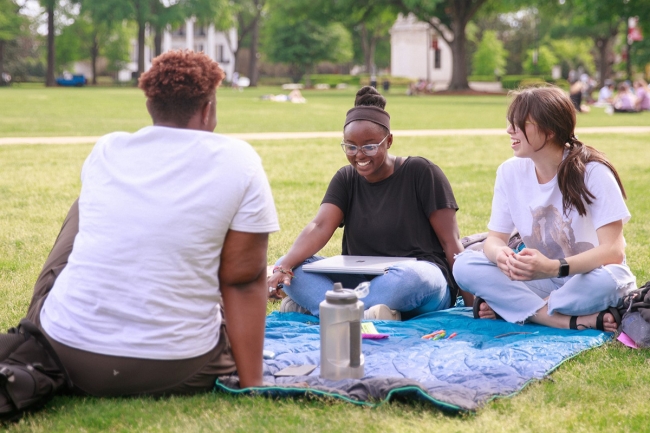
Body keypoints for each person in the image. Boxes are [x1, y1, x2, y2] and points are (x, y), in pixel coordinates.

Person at [25, 50, 279, 396]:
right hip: (178, 367)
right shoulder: (240, 161)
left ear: (149, 106)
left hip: (67, 353)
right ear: (208, 108)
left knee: (85, 205)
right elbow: (244, 280)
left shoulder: (107, 150)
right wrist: (254, 385)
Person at [268, 86, 469, 321]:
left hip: (418, 281)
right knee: (290, 264)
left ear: (389, 141)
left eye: (370, 146)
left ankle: (326, 307)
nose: (359, 155)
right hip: (359, 279)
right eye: (350, 146)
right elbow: (320, 226)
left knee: (412, 278)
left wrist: (470, 305)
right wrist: (284, 268)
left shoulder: (422, 172)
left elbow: (450, 242)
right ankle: (369, 312)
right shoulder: (346, 178)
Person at [453, 85, 636, 332]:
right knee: (464, 265)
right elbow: (495, 239)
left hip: (587, 278)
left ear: (549, 131)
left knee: (611, 281)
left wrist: (553, 267)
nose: (509, 130)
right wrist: (501, 256)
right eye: (510, 123)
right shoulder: (510, 172)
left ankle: (516, 309)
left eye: (519, 124)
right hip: (541, 280)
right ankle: (567, 319)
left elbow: (613, 251)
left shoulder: (593, 172)